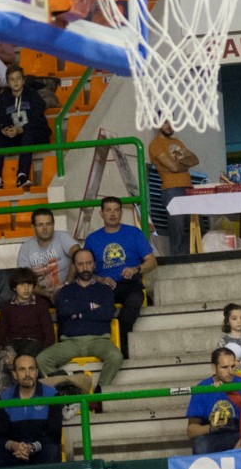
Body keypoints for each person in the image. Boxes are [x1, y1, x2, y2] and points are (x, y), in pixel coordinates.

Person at [36, 249, 124, 390]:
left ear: (94, 264)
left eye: (88, 263)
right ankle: (65, 388)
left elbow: (107, 313)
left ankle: (99, 392)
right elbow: (64, 311)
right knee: (42, 359)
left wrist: (77, 313)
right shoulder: (64, 291)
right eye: (80, 264)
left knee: (116, 356)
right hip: (70, 342)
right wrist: (92, 306)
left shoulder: (104, 290)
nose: (85, 267)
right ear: (74, 266)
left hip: (99, 340)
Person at [82, 196, 156, 358]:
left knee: (134, 301)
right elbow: (84, 269)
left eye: (116, 210)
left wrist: (136, 269)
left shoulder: (134, 233)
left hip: (129, 283)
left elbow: (152, 262)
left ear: (121, 213)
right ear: (101, 213)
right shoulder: (92, 239)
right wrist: (100, 279)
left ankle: (122, 345)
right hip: (102, 286)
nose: (112, 214)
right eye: (108, 210)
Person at [0, 354, 62, 468]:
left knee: (52, 450)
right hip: (14, 452)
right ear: (14, 374)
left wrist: (31, 447)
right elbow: (0, 437)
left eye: (31, 369)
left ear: (37, 372)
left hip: (41, 450)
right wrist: (15, 446)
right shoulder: (4, 398)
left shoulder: (52, 395)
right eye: (22, 369)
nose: (27, 374)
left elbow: (54, 435)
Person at [0, 65, 49, 191]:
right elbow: (0, 119)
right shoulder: (4, 98)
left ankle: (22, 176)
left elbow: (38, 119)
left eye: (18, 78)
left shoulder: (33, 95)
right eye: (12, 79)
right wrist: (5, 130)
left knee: (28, 133)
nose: (15, 82)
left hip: (36, 135)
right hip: (17, 136)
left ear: (23, 80)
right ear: (7, 82)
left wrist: (21, 129)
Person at [149, 121, 199, 256]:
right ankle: (178, 260)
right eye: (165, 122)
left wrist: (181, 165)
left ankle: (193, 257)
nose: (169, 125)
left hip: (188, 188)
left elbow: (195, 160)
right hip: (172, 189)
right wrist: (185, 164)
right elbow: (174, 167)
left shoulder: (176, 142)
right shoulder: (156, 144)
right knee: (177, 228)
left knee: (194, 225)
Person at [185, 347, 241, 454]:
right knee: (200, 445)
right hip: (212, 436)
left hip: (239, 434)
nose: (230, 372)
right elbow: (191, 431)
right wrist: (212, 427)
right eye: (225, 367)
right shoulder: (203, 388)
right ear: (214, 368)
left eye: (233, 366)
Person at [17, 207, 80, 304]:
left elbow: (79, 255)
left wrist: (66, 285)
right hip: (39, 295)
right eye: (40, 225)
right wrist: (47, 294)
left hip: (68, 291)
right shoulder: (26, 247)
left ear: (53, 225)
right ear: (33, 227)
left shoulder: (62, 237)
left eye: (48, 224)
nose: (45, 228)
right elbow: (23, 278)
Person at [0, 268, 56, 357]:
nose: (26, 288)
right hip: (13, 344)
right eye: (22, 285)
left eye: (29, 284)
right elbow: (1, 334)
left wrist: (43, 352)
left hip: (35, 343)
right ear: (14, 287)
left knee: (27, 356)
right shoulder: (7, 306)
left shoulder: (41, 304)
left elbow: (49, 334)